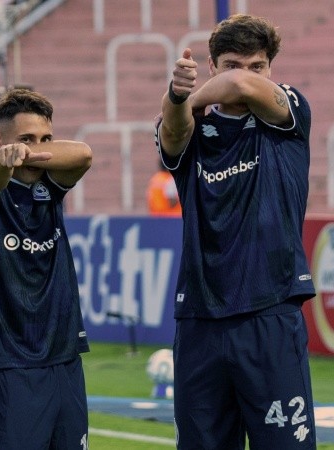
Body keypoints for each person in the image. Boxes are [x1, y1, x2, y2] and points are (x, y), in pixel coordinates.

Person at [156, 14, 317, 449]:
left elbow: (241, 90)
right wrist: (176, 98)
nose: (246, 76)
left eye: (257, 66)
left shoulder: (289, 111)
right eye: (230, 64)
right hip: (200, 320)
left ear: (270, 69)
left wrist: (187, 98)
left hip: (270, 311)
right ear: (211, 65)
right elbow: (171, 133)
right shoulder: (191, 126)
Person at [0, 87, 93, 449]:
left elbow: (83, 154)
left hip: (65, 361)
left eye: (46, 138)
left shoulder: (51, 183)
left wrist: (22, 153)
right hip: (8, 365)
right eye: (25, 139)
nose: (36, 146)